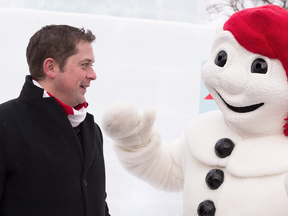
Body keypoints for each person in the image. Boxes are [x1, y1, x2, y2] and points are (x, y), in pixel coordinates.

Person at [0, 25, 110, 216]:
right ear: (50, 67)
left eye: (92, 65)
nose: (93, 75)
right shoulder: (4, 124)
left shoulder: (92, 130)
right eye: (84, 65)